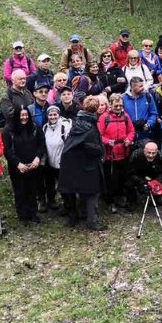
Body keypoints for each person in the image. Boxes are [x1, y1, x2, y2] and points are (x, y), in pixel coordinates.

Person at [58, 95, 107, 231]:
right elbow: (92, 147)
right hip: (88, 165)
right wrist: (101, 151)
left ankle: (77, 215)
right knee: (92, 192)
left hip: (73, 164)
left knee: (77, 191)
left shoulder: (77, 122)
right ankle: (92, 221)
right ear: (95, 109)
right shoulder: (91, 126)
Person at [2, 106, 45, 224]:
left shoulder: (35, 127)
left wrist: (38, 158)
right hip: (17, 166)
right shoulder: (9, 130)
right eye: (22, 115)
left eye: (26, 115)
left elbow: (41, 143)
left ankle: (33, 213)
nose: (24, 118)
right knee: (20, 191)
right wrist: (17, 163)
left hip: (33, 164)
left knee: (32, 189)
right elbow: (7, 150)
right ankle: (22, 215)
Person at [98, 94, 136, 211]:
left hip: (124, 152)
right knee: (110, 179)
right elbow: (99, 135)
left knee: (122, 177)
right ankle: (110, 201)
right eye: (116, 105)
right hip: (110, 154)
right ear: (110, 105)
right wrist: (107, 141)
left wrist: (128, 139)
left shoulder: (126, 116)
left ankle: (120, 196)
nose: (119, 108)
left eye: (120, 105)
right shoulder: (104, 118)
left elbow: (131, 131)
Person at [41, 105, 71, 213]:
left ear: (59, 115)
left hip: (62, 162)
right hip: (49, 162)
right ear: (47, 116)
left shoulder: (64, 126)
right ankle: (52, 202)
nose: (53, 117)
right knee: (50, 184)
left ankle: (68, 206)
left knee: (64, 186)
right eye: (50, 115)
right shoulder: (45, 128)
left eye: (55, 114)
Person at [128, 142, 162, 209]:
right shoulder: (135, 156)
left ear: (157, 151)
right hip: (139, 175)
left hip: (153, 175)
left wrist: (156, 181)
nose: (151, 155)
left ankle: (156, 197)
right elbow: (131, 173)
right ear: (144, 151)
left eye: (153, 153)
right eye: (149, 153)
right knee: (129, 183)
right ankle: (132, 201)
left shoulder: (160, 156)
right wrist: (142, 182)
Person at [123, 76, 159, 143]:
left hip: (145, 133)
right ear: (132, 87)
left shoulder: (148, 96)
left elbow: (154, 113)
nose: (143, 88)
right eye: (140, 86)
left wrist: (149, 124)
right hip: (129, 134)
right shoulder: (124, 98)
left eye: (143, 85)